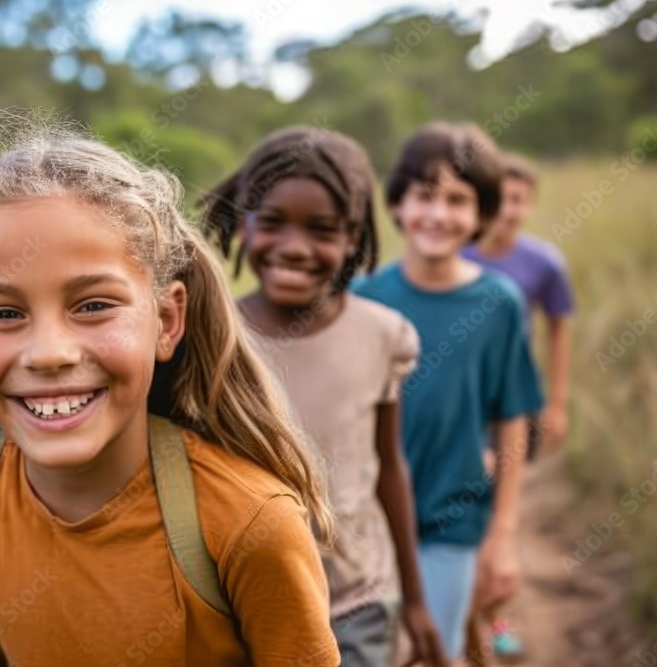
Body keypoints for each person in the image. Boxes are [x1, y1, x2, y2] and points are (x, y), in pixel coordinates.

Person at [0, 126, 341, 666]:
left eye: (92, 306)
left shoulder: (250, 525)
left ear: (166, 320)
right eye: (4, 313)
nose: (49, 353)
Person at [202, 126, 446, 667]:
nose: (294, 247)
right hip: (242, 605)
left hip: (356, 604)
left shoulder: (385, 336)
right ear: (244, 225)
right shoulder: (212, 338)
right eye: (272, 223)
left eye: (322, 230)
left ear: (354, 239)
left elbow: (389, 467)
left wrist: (417, 602)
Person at [352, 122, 543, 664]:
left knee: (435, 649)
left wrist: (501, 538)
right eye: (425, 195)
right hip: (369, 529)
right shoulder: (364, 297)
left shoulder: (500, 303)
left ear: (483, 215)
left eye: (458, 200)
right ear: (397, 203)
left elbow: (511, 419)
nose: (438, 214)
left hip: (451, 524)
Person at [460, 151, 574, 659]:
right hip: (462, 405)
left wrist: (557, 403)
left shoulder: (544, 263)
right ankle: (460, 611)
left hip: (512, 406)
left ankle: (494, 616)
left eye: (519, 200)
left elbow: (558, 331)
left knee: (501, 511)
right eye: (501, 199)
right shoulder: (457, 255)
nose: (508, 210)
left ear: (529, 205)